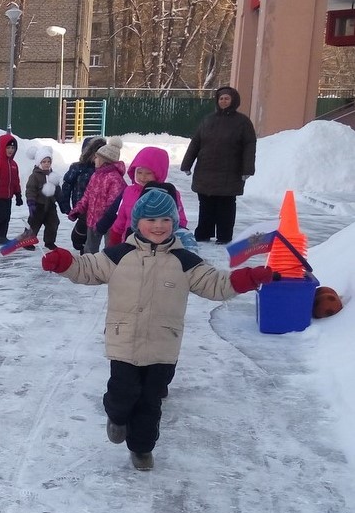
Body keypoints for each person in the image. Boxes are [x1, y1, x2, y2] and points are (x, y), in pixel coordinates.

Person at [41, 188, 274, 471]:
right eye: (151, 220)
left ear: (174, 222)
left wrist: (247, 278)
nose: (158, 226)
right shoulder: (118, 255)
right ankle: (116, 417)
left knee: (150, 403)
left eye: (165, 219)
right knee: (122, 393)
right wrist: (66, 263)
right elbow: (87, 268)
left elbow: (216, 284)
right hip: (124, 340)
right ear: (137, 222)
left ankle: (142, 448)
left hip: (163, 345)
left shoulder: (185, 261)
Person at [181, 86, 257, 245]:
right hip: (205, 170)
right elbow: (196, 142)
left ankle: (224, 236)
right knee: (205, 204)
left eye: (227, 98)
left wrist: (247, 169)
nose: (223, 101)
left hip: (230, 172)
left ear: (233, 100)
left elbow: (249, 146)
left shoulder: (242, 122)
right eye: (221, 98)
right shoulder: (208, 120)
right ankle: (203, 234)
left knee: (226, 206)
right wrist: (187, 163)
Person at [106, 146, 188, 246]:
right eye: (139, 172)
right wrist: (115, 238)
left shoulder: (169, 193)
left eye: (148, 173)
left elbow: (180, 220)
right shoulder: (129, 191)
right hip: (130, 244)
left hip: (159, 244)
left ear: (159, 173)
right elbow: (121, 219)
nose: (143, 177)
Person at [68, 137, 126, 254]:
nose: (94, 159)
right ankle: (90, 269)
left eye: (97, 157)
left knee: (110, 249)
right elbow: (87, 196)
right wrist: (78, 209)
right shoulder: (95, 175)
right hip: (92, 220)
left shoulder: (115, 179)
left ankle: (108, 269)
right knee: (89, 248)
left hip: (108, 223)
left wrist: (105, 221)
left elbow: (113, 205)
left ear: (104, 160)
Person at [58, 136, 107, 253]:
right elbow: (67, 186)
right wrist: (65, 206)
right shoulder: (78, 168)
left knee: (91, 237)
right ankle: (79, 243)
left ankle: (87, 257)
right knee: (79, 237)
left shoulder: (105, 171)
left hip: (98, 209)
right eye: (96, 153)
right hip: (81, 207)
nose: (98, 158)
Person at [24, 146, 62, 250]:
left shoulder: (52, 175)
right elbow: (30, 189)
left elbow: (57, 190)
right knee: (34, 224)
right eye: (44, 161)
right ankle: (27, 242)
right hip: (38, 205)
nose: (46, 164)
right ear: (39, 163)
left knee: (53, 224)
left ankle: (49, 242)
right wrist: (31, 203)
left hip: (50, 205)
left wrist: (62, 202)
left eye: (48, 161)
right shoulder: (35, 176)